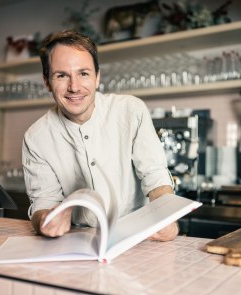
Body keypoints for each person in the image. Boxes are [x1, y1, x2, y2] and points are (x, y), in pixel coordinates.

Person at [22, 29, 178, 241]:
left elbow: (155, 175)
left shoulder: (131, 110)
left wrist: (166, 215)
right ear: (47, 81)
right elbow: (43, 201)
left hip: (140, 237)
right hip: (77, 241)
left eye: (83, 73)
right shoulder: (36, 137)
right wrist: (45, 221)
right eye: (61, 75)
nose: (74, 87)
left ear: (97, 77)